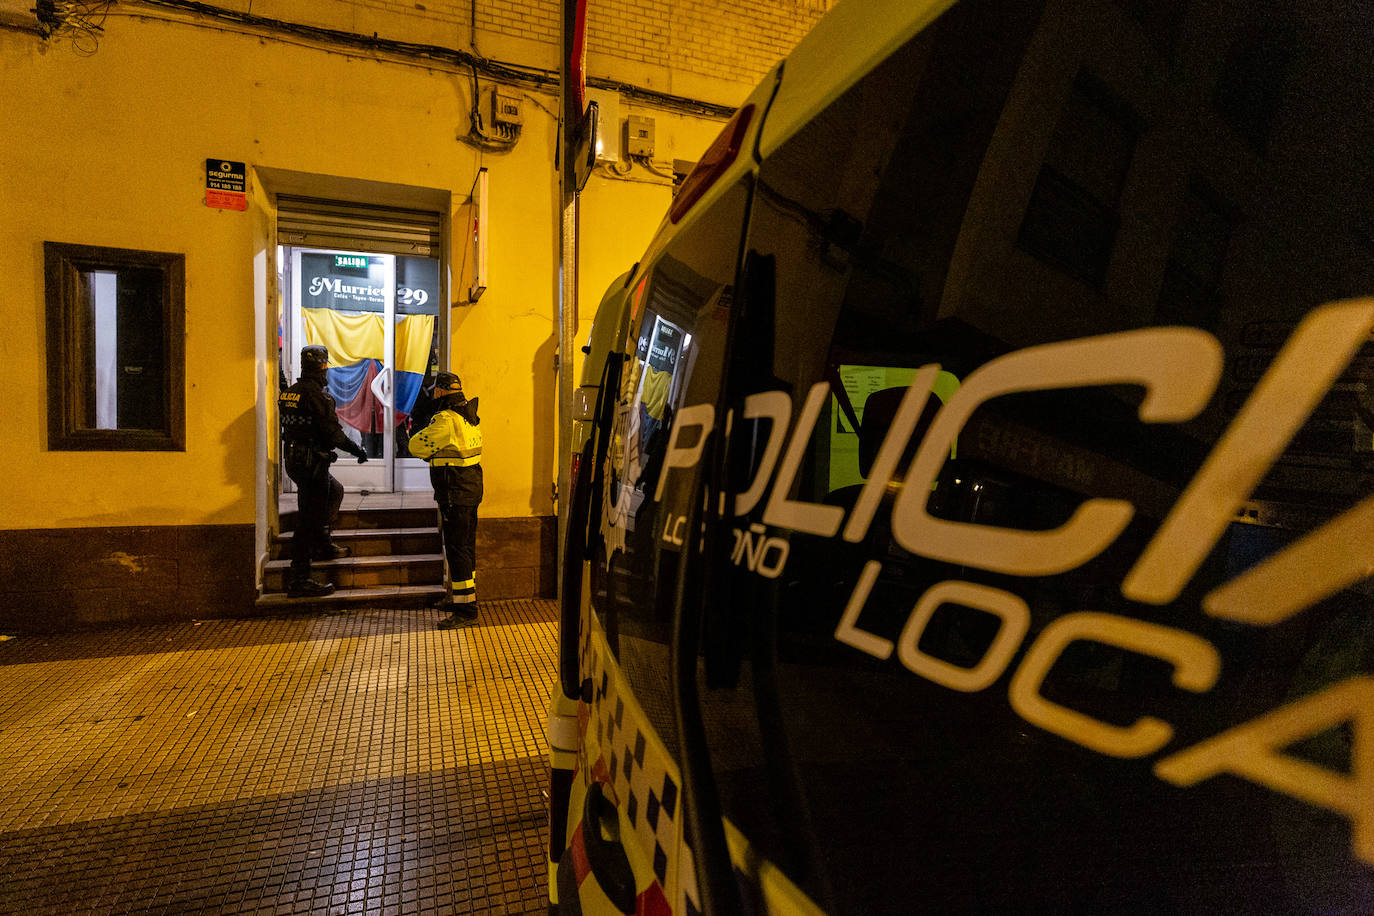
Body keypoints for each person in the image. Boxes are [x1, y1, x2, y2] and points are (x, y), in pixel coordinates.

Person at [279, 344, 368, 598]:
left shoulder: (291, 393)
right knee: (308, 519)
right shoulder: (319, 397)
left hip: (296, 460)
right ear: (322, 368)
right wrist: (357, 450)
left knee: (334, 490)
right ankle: (300, 578)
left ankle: (323, 543)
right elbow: (334, 434)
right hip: (311, 462)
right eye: (325, 367)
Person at [408, 371, 483, 628]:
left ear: (440, 392)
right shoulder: (469, 416)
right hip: (469, 489)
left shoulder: (446, 420)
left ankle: (466, 611)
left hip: (455, 492)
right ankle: (463, 599)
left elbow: (415, 445)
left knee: (457, 549)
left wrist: (432, 451)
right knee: (465, 548)